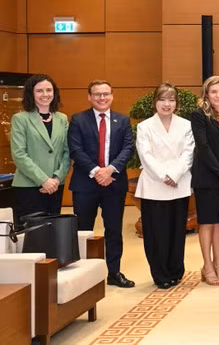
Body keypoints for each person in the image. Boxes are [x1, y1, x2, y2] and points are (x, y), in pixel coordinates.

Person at [68, 80, 135, 288]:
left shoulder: (122, 121)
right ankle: (82, 274)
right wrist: (97, 172)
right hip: (85, 184)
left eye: (106, 94)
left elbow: (128, 148)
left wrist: (110, 170)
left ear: (112, 96)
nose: (102, 98)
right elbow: (75, 150)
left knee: (114, 230)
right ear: (89, 97)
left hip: (114, 183)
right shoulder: (78, 119)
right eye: (97, 94)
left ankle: (114, 273)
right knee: (83, 231)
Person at [134, 83, 195, 289]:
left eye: (171, 99)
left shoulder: (186, 125)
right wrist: (164, 175)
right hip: (154, 185)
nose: (166, 104)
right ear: (155, 102)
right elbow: (146, 155)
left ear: (176, 103)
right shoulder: (144, 126)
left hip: (179, 183)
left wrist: (175, 174)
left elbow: (188, 153)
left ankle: (176, 271)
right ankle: (160, 274)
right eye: (162, 99)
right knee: (156, 233)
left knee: (177, 231)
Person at [190, 75, 219, 286]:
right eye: (214, 91)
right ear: (206, 94)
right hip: (207, 177)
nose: (218, 95)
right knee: (207, 223)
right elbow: (203, 147)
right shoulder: (199, 115)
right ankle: (207, 266)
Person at [10, 74, 70, 223]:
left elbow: (67, 152)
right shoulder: (20, 119)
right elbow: (19, 154)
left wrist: (57, 178)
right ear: (31, 93)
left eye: (49, 90)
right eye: (40, 90)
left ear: (54, 93)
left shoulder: (62, 118)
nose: (45, 94)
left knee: (53, 233)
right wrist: (43, 180)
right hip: (29, 186)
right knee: (32, 237)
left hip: (56, 186)